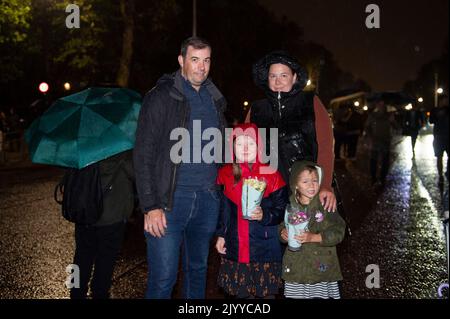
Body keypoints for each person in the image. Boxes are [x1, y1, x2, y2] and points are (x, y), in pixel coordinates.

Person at [133, 37, 227, 299]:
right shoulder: (161, 97)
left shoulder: (215, 99)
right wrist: (150, 206)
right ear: (181, 60)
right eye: (195, 60)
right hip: (169, 202)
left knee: (197, 272)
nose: (201, 67)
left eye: (206, 60)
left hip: (207, 199)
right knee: (164, 278)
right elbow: (143, 154)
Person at [246, 51, 336, 213]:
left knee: (303, 236)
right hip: (269, 195)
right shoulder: (256, 109)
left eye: (284, 76)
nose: (278, 81)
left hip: (306, 193)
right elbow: (244, 151)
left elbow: (325, 148)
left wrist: (325, 186)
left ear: (294, 78)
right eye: (273, 76)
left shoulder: (311, 102)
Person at [215, 123, 288, 299]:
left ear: (259, 146)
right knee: (241, 295)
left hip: (264, 248)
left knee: (265, 295)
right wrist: (221, 235)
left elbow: (281, 209)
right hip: (236, 247)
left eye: (251, 143)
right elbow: (223, 210)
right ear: (233, 148)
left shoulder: (272, 174)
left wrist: (265, 215)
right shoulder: (225, 174)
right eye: (240, 144)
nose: (245, 148)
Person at [70, 150, 135, 299]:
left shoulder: (83, 149)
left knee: (81, 256)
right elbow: (136, 174)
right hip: (112, 216)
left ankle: (75, 292)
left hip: (85, 213)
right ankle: (100, 293)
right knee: (106, 259)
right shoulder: (121, 151)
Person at [280, 160, 345, 299]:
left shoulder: (325, 205)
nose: (312, 185)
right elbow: (282, 224)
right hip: (296, 270)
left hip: (321, 269)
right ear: (295, 185)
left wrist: (315, 237)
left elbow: (339, 230)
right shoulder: (290, 207)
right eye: (305, 181)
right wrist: (282, 233)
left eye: (315, 180)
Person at [363, 98, 396, 187]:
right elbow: (367, 127)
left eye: (383, 105)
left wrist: (393, 121)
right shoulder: (372, 116)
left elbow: (396, 126)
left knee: (385, 161)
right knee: (373, 160)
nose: (381, 107)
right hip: (375, 141)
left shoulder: (389, 116)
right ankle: (373, 178)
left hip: (385, 141)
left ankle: (382, 178)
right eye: (380, 105)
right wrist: (370, 136)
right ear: (377, 106)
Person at [429, 95, 449, 182]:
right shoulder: (434, 110)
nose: (446, 102)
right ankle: (440, 175)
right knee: (439, 157)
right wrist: (438, 115)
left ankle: (448, 172)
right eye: (445, 100)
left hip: (448, 137)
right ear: (441, 101)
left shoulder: (448, 109)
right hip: (438, 137)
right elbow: (431, 121)